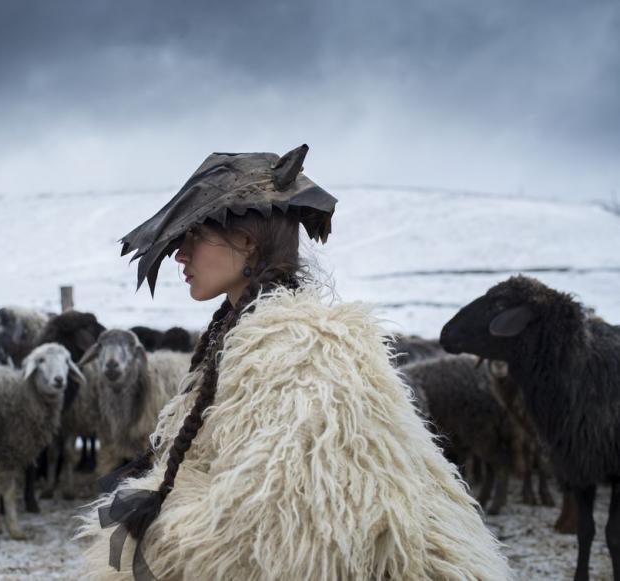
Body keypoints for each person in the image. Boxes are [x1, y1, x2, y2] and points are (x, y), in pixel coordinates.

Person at [76, 145, 509, 580]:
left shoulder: (300, 349)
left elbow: (294, 520)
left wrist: (162, 526)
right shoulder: (246, 332)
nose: (179, 256)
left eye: (193, 237)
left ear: (246, 241)